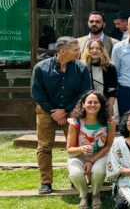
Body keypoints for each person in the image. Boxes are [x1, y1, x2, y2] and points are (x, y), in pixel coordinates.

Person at [32, 36, 92, 195]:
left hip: (73, 111)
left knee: (76, 146)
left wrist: (66, 110)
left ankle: (76, 179)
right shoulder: (40, 68)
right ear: (62, 51)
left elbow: (86, 92)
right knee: (44, 147)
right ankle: (46, 183)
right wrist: (53, 111)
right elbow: (37, 93)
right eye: (76, 50)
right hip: (46, 112)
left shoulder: (82, 68)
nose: (79, 52)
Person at [67, 91, 115, 209]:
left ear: (101, 105)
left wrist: (91, 160)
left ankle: (95, 194)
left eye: (96, 102)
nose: (92, 105)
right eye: (89, 102)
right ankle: (83, 195)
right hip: (79, 156)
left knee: (98, 171)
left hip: (99, 156)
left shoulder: (110, 123)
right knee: (75, 173)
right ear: (83, 104)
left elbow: (108, 146)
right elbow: (69, 150)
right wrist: (81, 148)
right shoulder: (75, 122)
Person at [82, 39, 119, 120]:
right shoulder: (82, 67)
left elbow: (112, 92)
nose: (94, 51)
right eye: (91, 48)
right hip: (86, 107)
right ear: (88, 50)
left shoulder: (110, 67)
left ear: (102, 50)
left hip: (104, 106)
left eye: (98, 48)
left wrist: (108, 111)